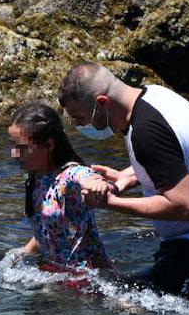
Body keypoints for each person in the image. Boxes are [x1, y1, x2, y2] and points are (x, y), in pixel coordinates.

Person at [58, 62, 189, 305]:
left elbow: (182, 207)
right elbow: (175, 157)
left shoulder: (146, 131)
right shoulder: (154, 95)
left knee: (130, 309)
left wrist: (111, 203)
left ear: (102, 103)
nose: (79, 127)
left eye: (80, 118)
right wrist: (127, 176)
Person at [8, 101, 112, 271]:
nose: (14, 154)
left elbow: (84, 175)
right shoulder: (35, 177)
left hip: (86, 277)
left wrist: (95, 183)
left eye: (21, 147)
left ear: (49, 145)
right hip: (53, 273)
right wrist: (24, 252)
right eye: (12, 145)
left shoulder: (68, 176)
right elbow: (48, 228)